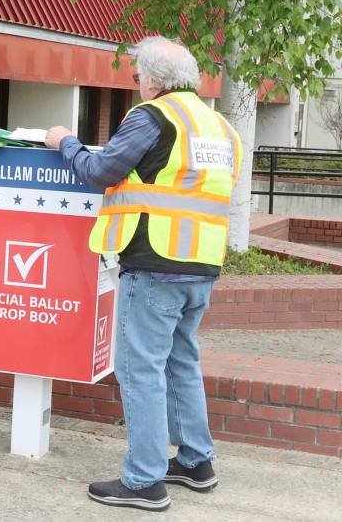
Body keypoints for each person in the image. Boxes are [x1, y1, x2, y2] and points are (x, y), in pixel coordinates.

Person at [45, 36, 242, 512]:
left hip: (153, 262)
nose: (136, 86)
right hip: (202, 264)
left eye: (136, 78)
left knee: (142, 371)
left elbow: (101, 170)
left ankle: (144, 481)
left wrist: (63, 142)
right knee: (180, 362)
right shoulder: (218, 126)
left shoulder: (153, 116)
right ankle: (196, 461)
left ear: (152, 79)